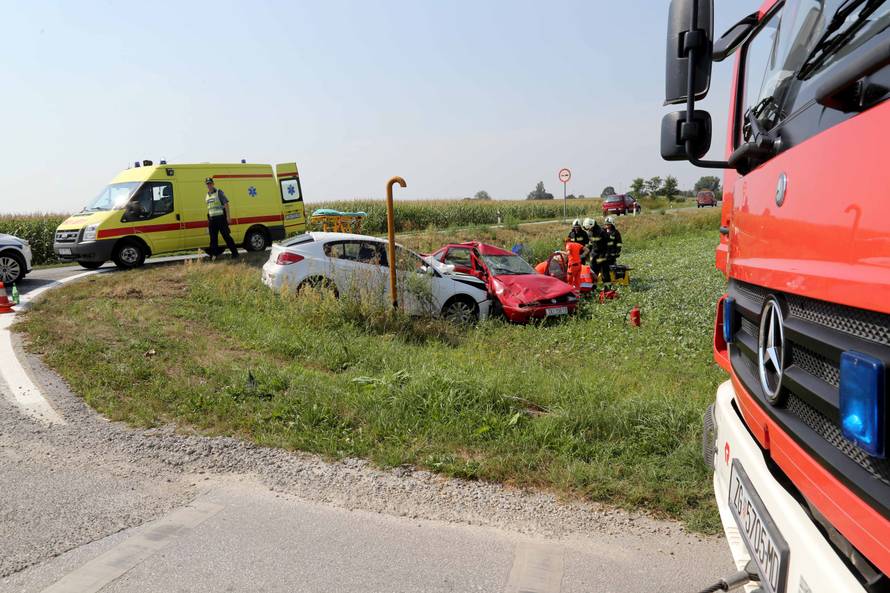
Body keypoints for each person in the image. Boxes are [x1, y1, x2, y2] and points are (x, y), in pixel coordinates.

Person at [205, 177, 239, 260]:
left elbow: (226, 204)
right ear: (206, 185)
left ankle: (235, 254)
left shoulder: (219, 192)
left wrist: (228, 217)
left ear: (213, 184)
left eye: (210, 183)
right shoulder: (207, 195)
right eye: (208, 184)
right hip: (212, 220)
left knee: (226, 236)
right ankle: (214, 256)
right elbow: (210, 208)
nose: (209, 185)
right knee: (213, 238)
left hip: (221, 218)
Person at [584, 218, 609, 288]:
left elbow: (607, 245)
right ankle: (593, 287)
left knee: (604, 272)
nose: (588, 230)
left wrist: (605, 255)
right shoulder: (590, 232)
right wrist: (587, 252)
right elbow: (591, 243)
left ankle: (607, 288)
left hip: (602, 254)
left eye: (589, 228)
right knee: (593, 271)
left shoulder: (601, 232)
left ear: (592, 225)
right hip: (594, 253)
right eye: (587, 229)